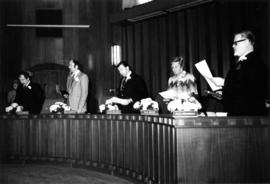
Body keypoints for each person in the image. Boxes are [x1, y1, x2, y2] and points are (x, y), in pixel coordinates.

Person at [210, 30, 268, 116]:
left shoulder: (256, 62)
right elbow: (240, 90)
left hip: (249, 117)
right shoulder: (241, 63)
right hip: (239, 115)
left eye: (236, 43)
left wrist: (224, 82)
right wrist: (224, 93)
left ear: (247, 42)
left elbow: (251, 89)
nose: (233, 46)